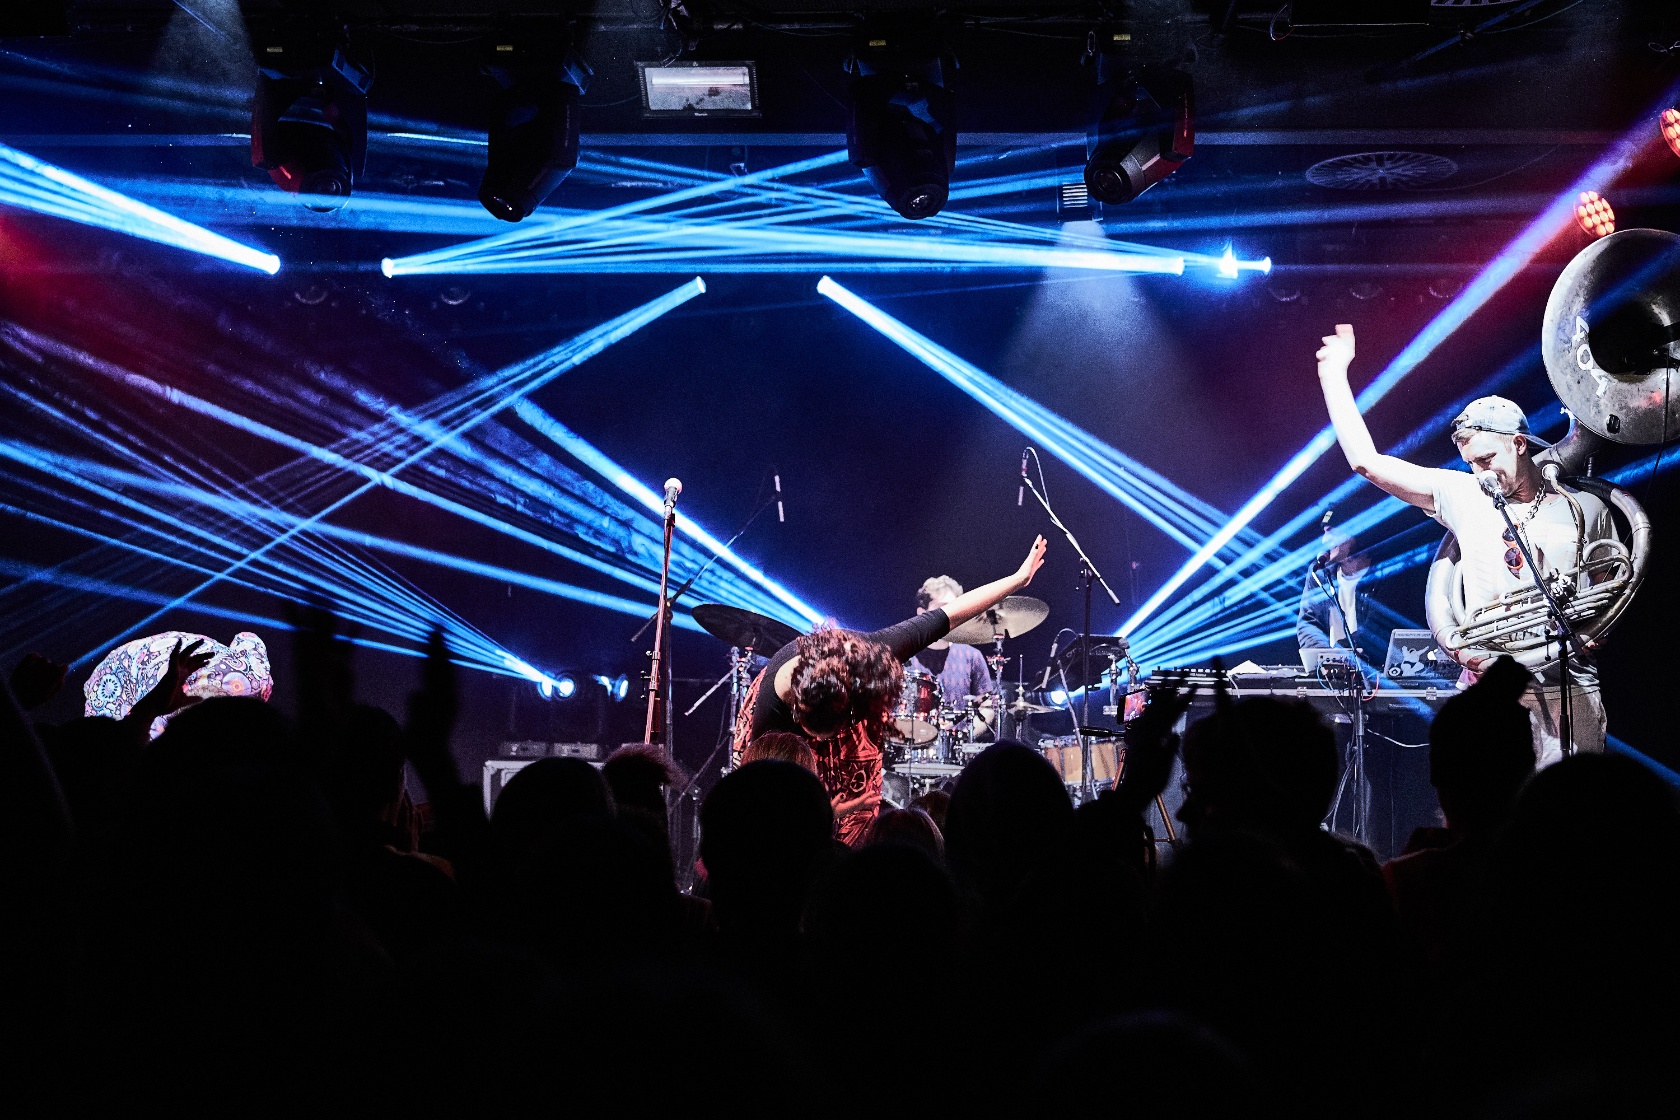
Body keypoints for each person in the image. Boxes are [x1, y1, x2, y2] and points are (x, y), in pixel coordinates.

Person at [1315, 323, 1613, 765]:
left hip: (1569, 686)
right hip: (1489, 691)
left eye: (1488, 460)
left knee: (1571, 823)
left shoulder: (1585, 507)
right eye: (1472, 463)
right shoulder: (1465, 493)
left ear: (1519, 444)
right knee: (1487, 821)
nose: (1481, 473)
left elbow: (1608, 590)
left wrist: (1595, 635)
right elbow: (1366, 462)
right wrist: (1334, 376)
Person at [733, 537, 1047, 844]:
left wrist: (1017, 580)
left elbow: (950, 615)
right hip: (781, 742)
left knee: (856, 825)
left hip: (843, 704)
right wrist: (820, 815)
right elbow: (761, 800)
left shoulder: (878, 650)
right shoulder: (770, 708)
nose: (829, 741)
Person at [907, 575, 1000, 735]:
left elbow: (987, 707)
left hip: (956, 754)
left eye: (954, 608)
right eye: (943, 608)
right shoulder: (905, 656)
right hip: (910, 750)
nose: (950, 615)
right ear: (922, 613)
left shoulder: (972, 656)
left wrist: (964, 736)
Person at [1296, 531, 1373, 655]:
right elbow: (1308, 624)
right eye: (1325, 532)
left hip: (1371, 669)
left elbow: (1376, 631)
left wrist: (1340, 652)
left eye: (1332, 531)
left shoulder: (1384, 572)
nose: (1325, 539)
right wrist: (1324, 657)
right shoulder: (1319, 572)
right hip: (1331, 669)